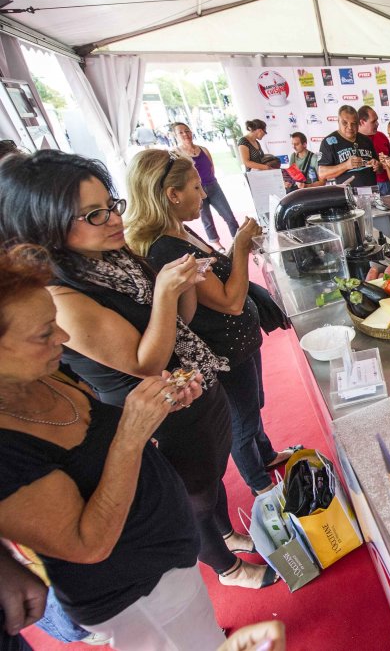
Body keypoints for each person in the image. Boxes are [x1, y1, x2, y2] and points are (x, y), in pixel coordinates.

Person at [0, 151, 277, 590]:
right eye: (94, 214)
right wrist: (166, 293)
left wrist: (179, 287)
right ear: (48, 225)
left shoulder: (117, 257)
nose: (113, 219)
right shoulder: (64, 295)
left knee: (212, 474)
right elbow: (144, 361)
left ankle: (224, 532)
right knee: (194, 497)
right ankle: (226, 568)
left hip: (193, 385)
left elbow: (177, 324)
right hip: (161, 412)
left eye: (111, 205)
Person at [0, 243, 227, 648]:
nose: (64, 336)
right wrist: (132, 432)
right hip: (136, 592)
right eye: (44, 333)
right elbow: (87, 543)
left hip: (166, 561)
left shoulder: (38, 376)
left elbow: (94, 449)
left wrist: (158, 407)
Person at [124, 148, 302, 495]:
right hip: (225, 352)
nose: (204, 194)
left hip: (241, 342)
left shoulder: (181, 232)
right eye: (195, 187)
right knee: (243, 423)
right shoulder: (166, 249)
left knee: (254, 407)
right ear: (171, 195)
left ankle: (265, 457)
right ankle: (261, 485)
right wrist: (238, 247)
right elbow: (230, 302)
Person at [172, 122, 239, 253]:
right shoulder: (176, 153)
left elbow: (211, 167)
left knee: (228, 215)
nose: (185, 134)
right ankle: (218, 245)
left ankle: (238, 239)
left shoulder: (203, 149)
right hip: (195, 190)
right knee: (206, 218)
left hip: (213, 186)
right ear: (175, 136)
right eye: (181, 132)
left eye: (187, 131)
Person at [317, 105, 378, 188]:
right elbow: (322, 173)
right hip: (347, 195)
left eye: (353, 123)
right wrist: (346, 165)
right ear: (338, 121)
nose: (350, 127)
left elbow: (379, 168)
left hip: (371, 193)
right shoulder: (329, 142)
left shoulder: (366, 140)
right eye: (345, 123)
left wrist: (377, 165)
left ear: (358, 123)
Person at [358, 105, 390, 195]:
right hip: (370, 187)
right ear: (362, 122)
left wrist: (388, 161)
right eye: (373, 121)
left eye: (377, 120)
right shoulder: (354, 141)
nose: (377, 123)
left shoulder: (381, 136)